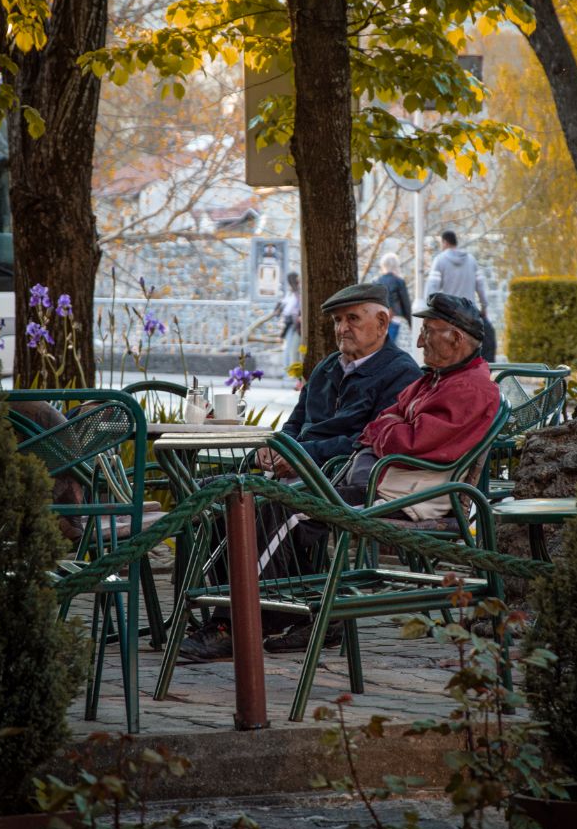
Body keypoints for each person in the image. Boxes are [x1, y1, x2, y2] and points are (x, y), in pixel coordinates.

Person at [179, 282, 422, 662]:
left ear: (382, 321)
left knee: (275, 505)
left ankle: (236, 624)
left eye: (353, 319)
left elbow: (370, 442)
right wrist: (271, 449)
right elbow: (294, 424)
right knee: (214, 493)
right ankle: (261, 610)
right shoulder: (327, 367)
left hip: (338, 477)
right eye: (339, 320)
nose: (343, 328)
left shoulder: (400, 373)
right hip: (297, 466)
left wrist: (299, 455)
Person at [263, 292, 499, 653]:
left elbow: (405, 437)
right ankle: (283, 614)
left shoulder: (469, 388)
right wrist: (389, 428)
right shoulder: (434, 380)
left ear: (456, 338)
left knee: (290, 509)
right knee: (269, 500)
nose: (419, 341)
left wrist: (386, 430)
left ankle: (246, 621)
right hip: (383, 486)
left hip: (408, 499)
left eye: (429, 332)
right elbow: (388, 421)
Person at [425, 230, 495, 361]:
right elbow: (480, 287)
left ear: (444, 242)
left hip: (450, 315)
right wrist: (484, 307)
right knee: (471, 350)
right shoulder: (471, 260)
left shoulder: (440, 260)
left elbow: (432, 288)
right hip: (470, 314)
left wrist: (430, 308)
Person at [374, 252, 412, 344]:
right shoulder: (399, 281)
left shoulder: (376, 281)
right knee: (391, 344)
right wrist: (411, 323)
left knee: (381, 344)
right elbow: (405, 303)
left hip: (380, 318)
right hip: (396, 318)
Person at [274, 271, 302, 379]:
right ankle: (290, 375)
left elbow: (290, 309)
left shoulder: (297, 294)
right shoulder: (292, 293)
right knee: (289, 350)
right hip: (291, 325)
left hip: (295, 326)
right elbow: (286, 306)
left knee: (292, 350)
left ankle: (292, 375)